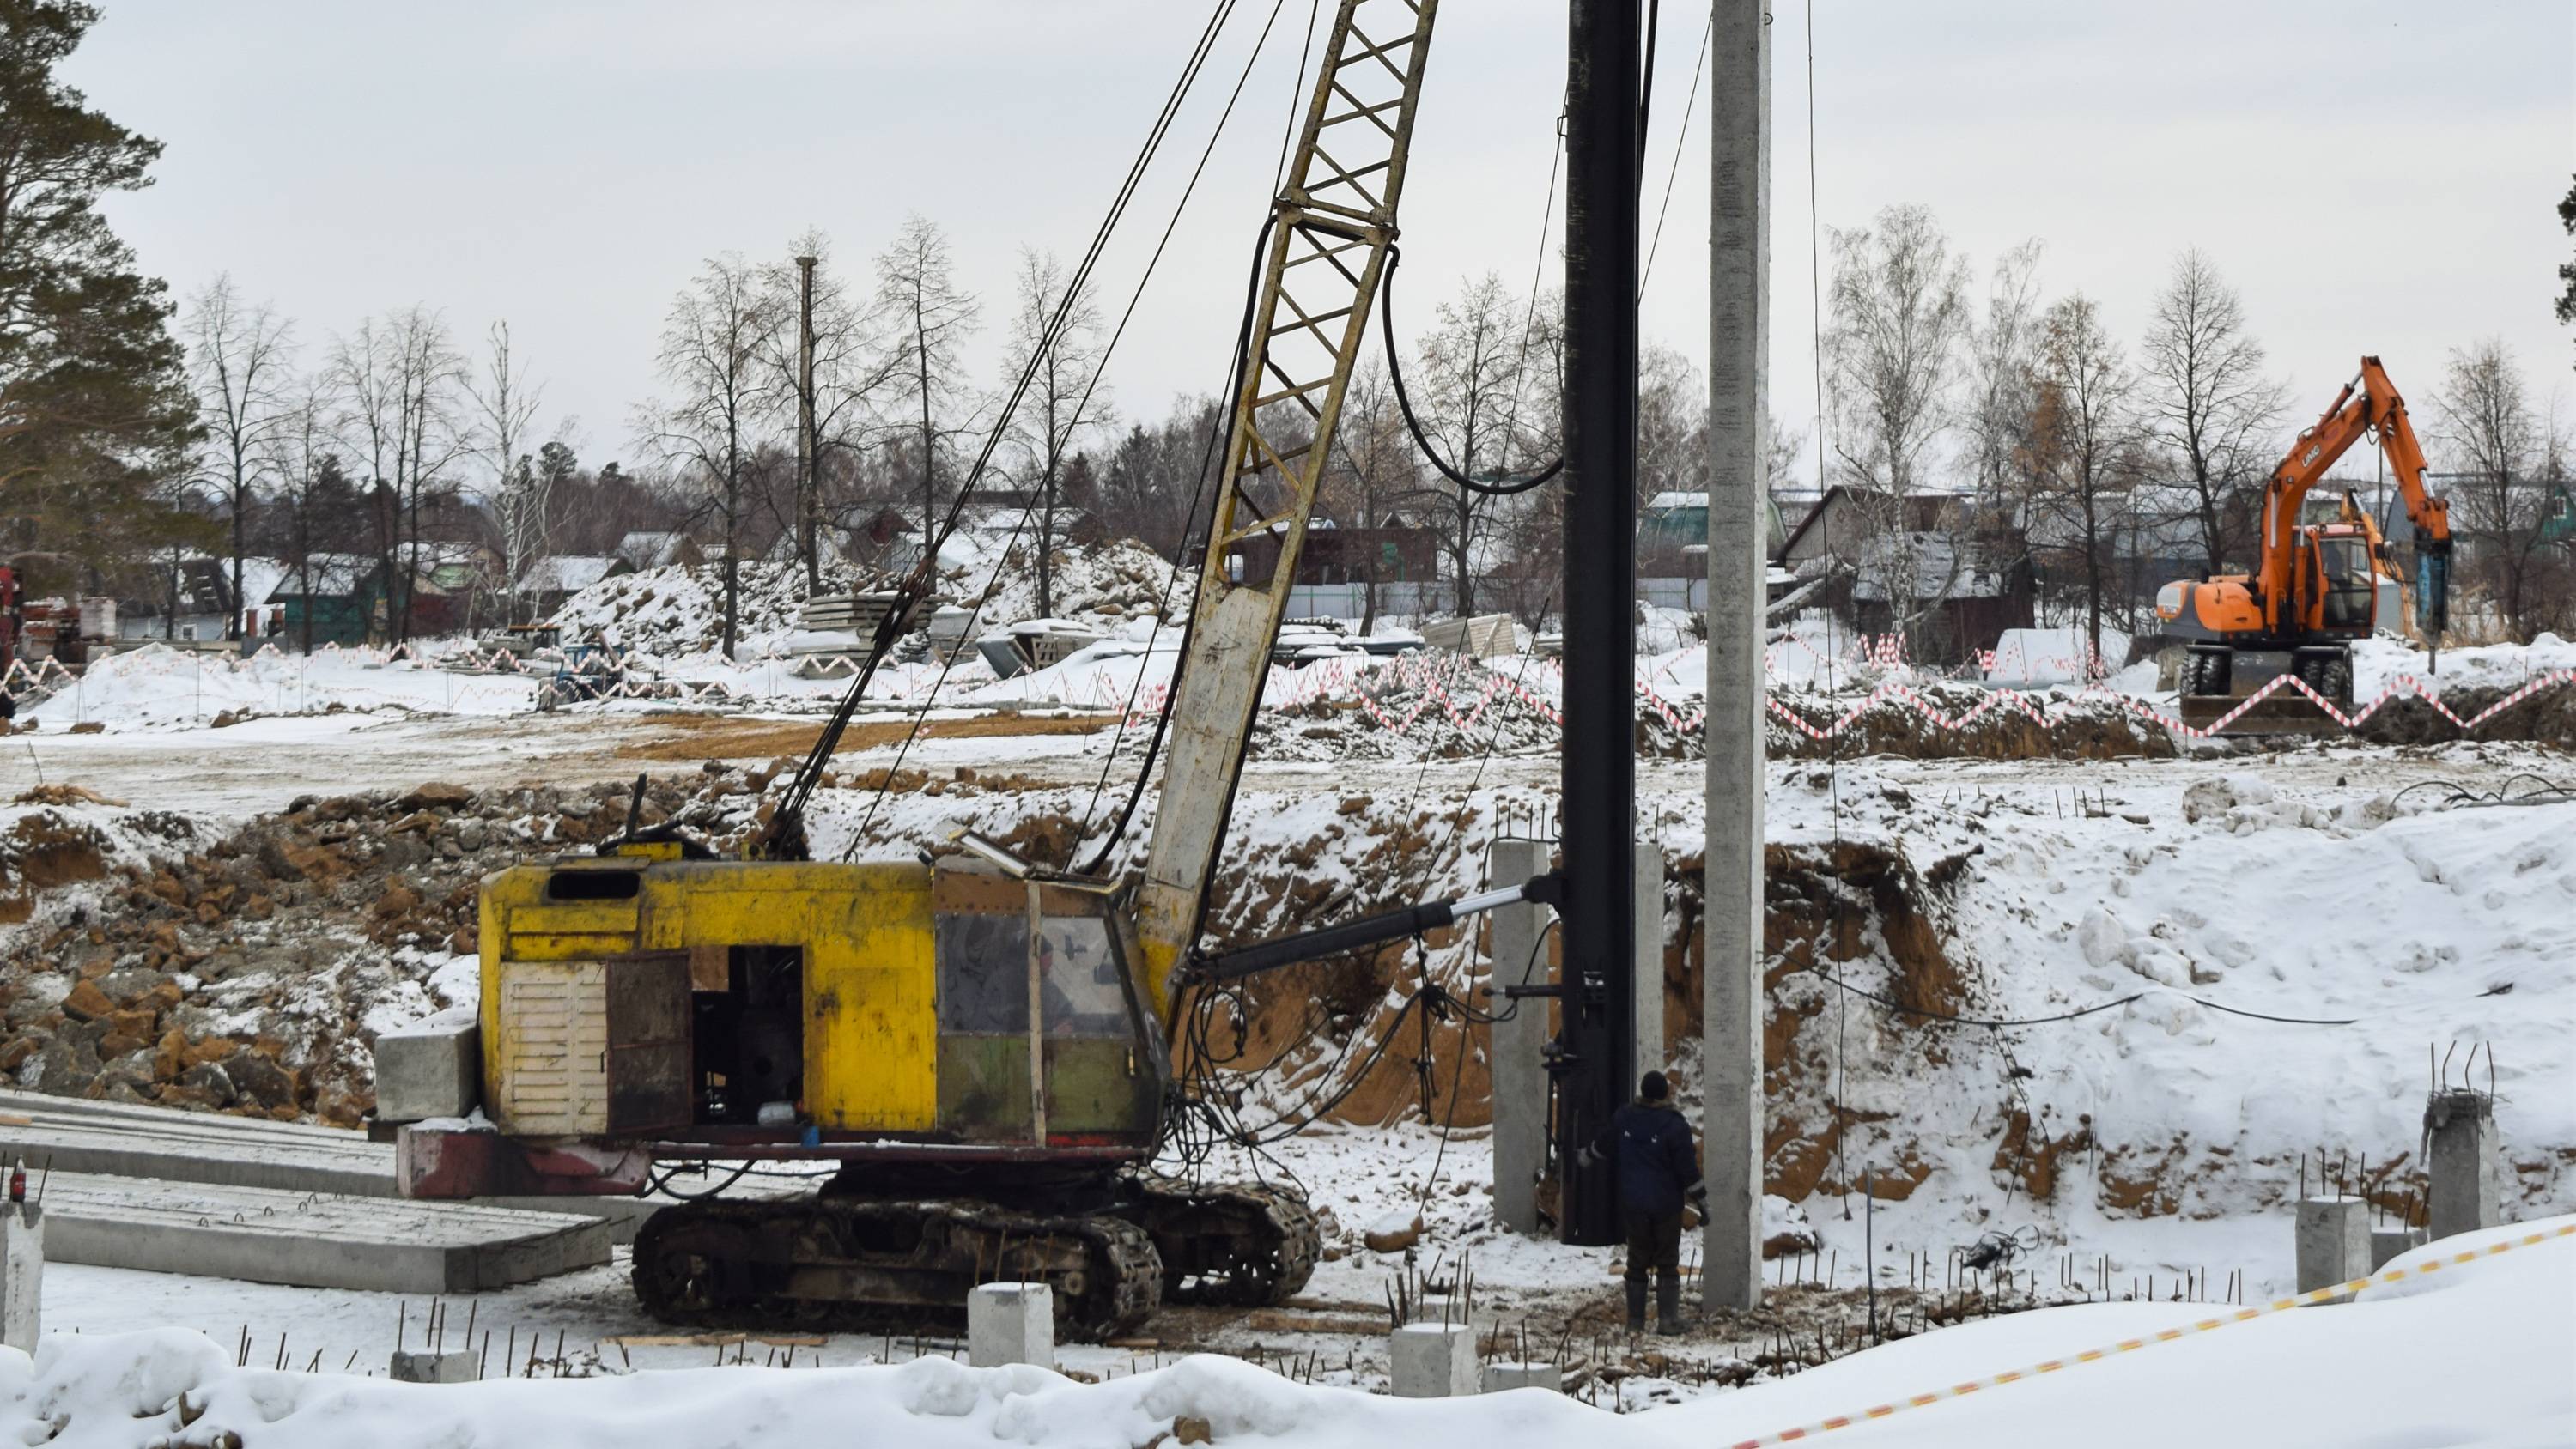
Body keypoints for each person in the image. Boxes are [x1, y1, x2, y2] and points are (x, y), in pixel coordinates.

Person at [1580, 1069, 1706, 1336]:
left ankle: (1635, 1323)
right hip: (1666, 1205)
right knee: (1667, 1261)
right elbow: (1688, 1170)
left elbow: (1603, 1144)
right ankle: (1668, 1321)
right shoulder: (1674, 1125)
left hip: (1634, 1203)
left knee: (1636, 1262)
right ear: (1665, 1094)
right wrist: (1703, 1203)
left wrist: (1585, 1156)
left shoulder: (1625, 1117)